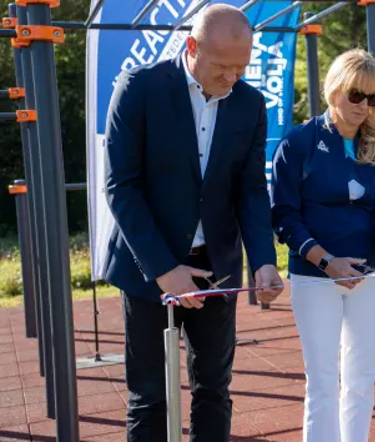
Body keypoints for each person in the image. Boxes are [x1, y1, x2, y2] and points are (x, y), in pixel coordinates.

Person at [102, 5, 283, 441]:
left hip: (216, 267)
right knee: (150, 396)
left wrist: (263, 260)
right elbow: (121, 187)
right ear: (190, 47)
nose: (233, 78)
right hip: (149, 269)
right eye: (222, 66)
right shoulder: (138, 89)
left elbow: (251, 191)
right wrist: (166, 270)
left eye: (241, 66)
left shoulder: (250, 103)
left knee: (215, 391)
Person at [271, 48, 375, 442]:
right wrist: (326, 261)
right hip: (314, 276)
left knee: (362, 378)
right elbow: (284, 217)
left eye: (374, 98)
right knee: (321, 379)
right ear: (334, 90)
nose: (364, 106)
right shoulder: (298, 143)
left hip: (372, 275)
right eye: (356, 95)